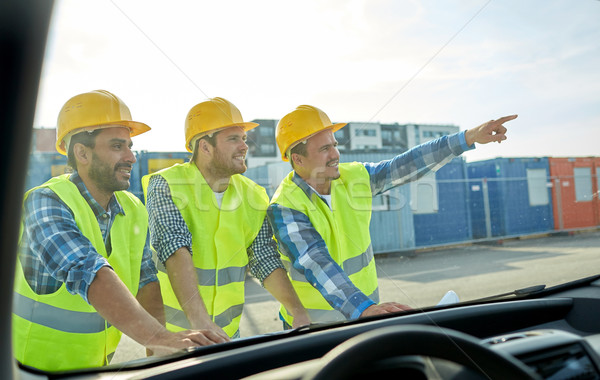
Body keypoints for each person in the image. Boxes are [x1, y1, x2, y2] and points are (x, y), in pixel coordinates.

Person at [12, 90, 227, 372]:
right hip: (30, 371)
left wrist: (157, 351)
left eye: (129, 145)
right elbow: (86, 270)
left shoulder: (132, 208)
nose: (131, 157)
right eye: (117, 146)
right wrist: (160, 337)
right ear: (82, 153)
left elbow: (146, 282)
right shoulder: (45, 201)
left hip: (96, 369)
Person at [268, 104, 517, 327]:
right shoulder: (285, 205)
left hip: (365, 317)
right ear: (298, 159)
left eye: (334, 144)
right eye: (324, 148)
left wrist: (466, 138)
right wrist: (363, 309)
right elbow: (316, 261)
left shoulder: (353, 177)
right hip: (313, 329)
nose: (335, 154)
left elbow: (405, 165)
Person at [142, 97, 309, 340]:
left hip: (229, 335)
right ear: (205, 147)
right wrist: (201, 322)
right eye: (233, 139)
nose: (244, 146)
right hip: (175, 337)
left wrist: (297, 312)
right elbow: (174, 247)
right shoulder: (167, 184)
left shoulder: (252, 194)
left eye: (243, 138)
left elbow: (263, 257)